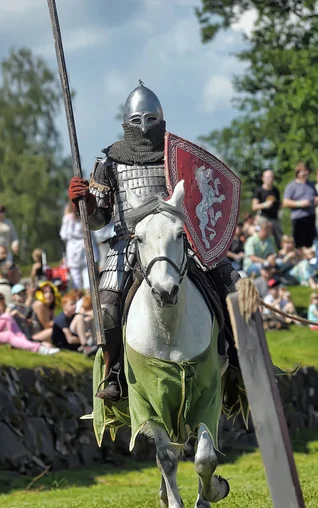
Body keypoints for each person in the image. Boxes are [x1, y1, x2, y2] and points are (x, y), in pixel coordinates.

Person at [68, 81, 240, 400]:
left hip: (177, 239)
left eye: (150, 119)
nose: (144, 126)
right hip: (127, 243)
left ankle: (237, 364)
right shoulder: (109, 163)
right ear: (126, 123)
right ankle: (114, 372)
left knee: (232, 288)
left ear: (161, 120)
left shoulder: (176, 156)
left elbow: (196, 204)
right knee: (106, 308)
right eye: (137, 120)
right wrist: (86, 205)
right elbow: (98, 221)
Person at [0, 280, 59, 354]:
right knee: (7, 335)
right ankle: (38, 349)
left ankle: (24, 343)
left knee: (7, 317)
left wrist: (1, 303)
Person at [59, 203, 100, 290]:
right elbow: (63, 235)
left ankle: (86, 299)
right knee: (80, 278)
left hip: (81, 249)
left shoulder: (79, 218)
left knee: (83, 278)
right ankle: (81, 298)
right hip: (77, 250)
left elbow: (63, 235)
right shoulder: (70, 219)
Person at [283, 162, 318, 248]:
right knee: (299, 244)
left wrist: (317, 200)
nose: (305, 173)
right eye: (303, 171)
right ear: (298, 173)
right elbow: (285, 202)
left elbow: (316, 197)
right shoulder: (291, 186)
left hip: (311, 217)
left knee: (310, 243)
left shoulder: (311, 185)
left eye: (306, 171)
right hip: (298, 218)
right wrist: (299, 203)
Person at [251, 169, 282, 247]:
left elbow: (278, 204)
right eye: (268, 177)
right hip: (263, 218)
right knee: (264, 238)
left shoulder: (275, 190)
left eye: (272, 177)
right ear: (263, 178)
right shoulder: (259, 191)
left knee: (280, 238)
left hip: (275, 218)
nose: (270, 179)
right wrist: (265, 205)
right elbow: (254, 207)